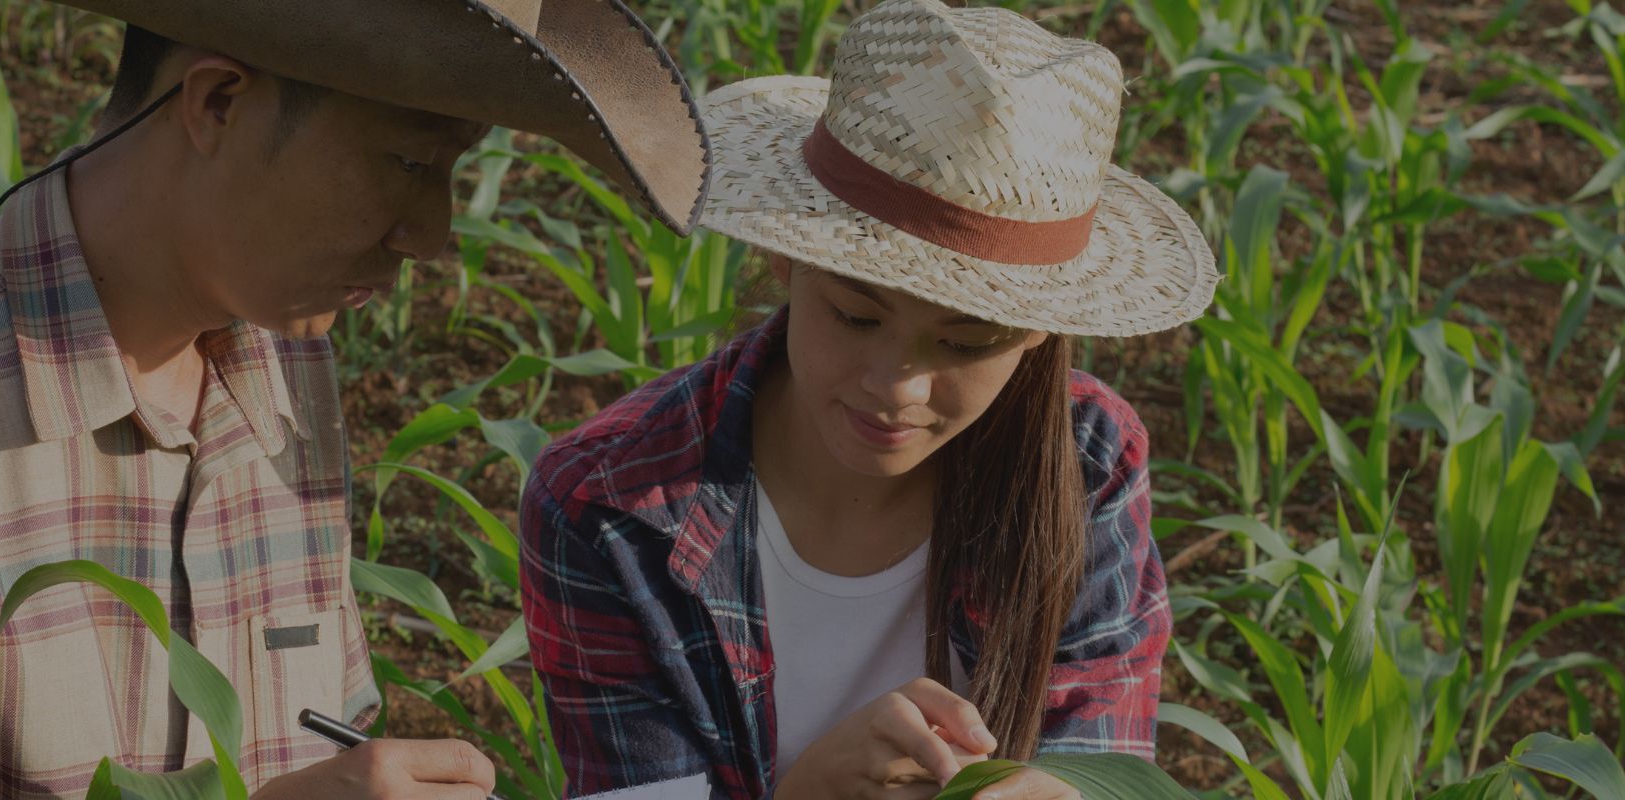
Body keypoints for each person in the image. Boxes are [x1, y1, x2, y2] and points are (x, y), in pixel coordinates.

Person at [0, 1, 708, 797]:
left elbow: (318, 730)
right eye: (408, 161)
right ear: (216, 102)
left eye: (451, 173)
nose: (434, 234)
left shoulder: (280, 369)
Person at [519, 1, 1218, 798]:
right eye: (854, 315)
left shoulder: (1085, 460)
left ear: (1038, 334)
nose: (895, 388)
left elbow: (1099, 758)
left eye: (966, 343)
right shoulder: (612, 506)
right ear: (782, 262)